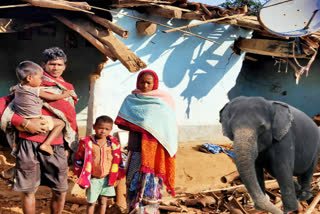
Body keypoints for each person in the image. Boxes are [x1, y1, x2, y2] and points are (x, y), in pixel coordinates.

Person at [0, 47, 78, 214]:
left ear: (65, 66)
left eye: (59, 64)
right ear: (43, 65)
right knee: (29, 190)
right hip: (28, 143)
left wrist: (67, 147)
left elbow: (69, 118)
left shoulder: (67, 88)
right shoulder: (30, 83)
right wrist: (25, 123)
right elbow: (3, 106)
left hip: (56, 146)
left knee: (60, 190)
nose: (56, 67)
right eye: (52, 64)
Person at [115, 69, 178, 213]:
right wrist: (142, 125)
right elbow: (120, 122)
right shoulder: (131, 99)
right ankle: (133, 209)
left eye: (148, 82)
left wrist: (147, 126)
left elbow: (168, 126)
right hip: (136, 147)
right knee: (132, 181)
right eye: (142, 82)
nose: (144, 85)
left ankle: (148, 211)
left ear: (154, 84)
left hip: (155, 152)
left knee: (152, 183)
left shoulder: (164, 101)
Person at [11, 60, 72, 155]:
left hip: (20, 124)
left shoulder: (17, 87)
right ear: (30, 78)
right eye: (40, 78)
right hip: (36, 123)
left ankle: (15, 145)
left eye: (59, 65)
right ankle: (46, 144)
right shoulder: (35, 90)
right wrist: (64, 95)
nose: (41, 80)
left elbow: (12, 89)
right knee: (61, 123)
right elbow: (52, 97)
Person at [74, 115, 125, 214]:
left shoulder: (113, 144)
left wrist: (117, 177)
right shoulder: (87, 143)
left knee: (103, 202)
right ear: (94, 127)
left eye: (107, 129)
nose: (103, 131)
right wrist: (80, 177)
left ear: (110, 130)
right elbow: (79, 159)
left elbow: (119, 162)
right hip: (93, 178)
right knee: (91, 203)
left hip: (107, 178)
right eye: (100, 128)